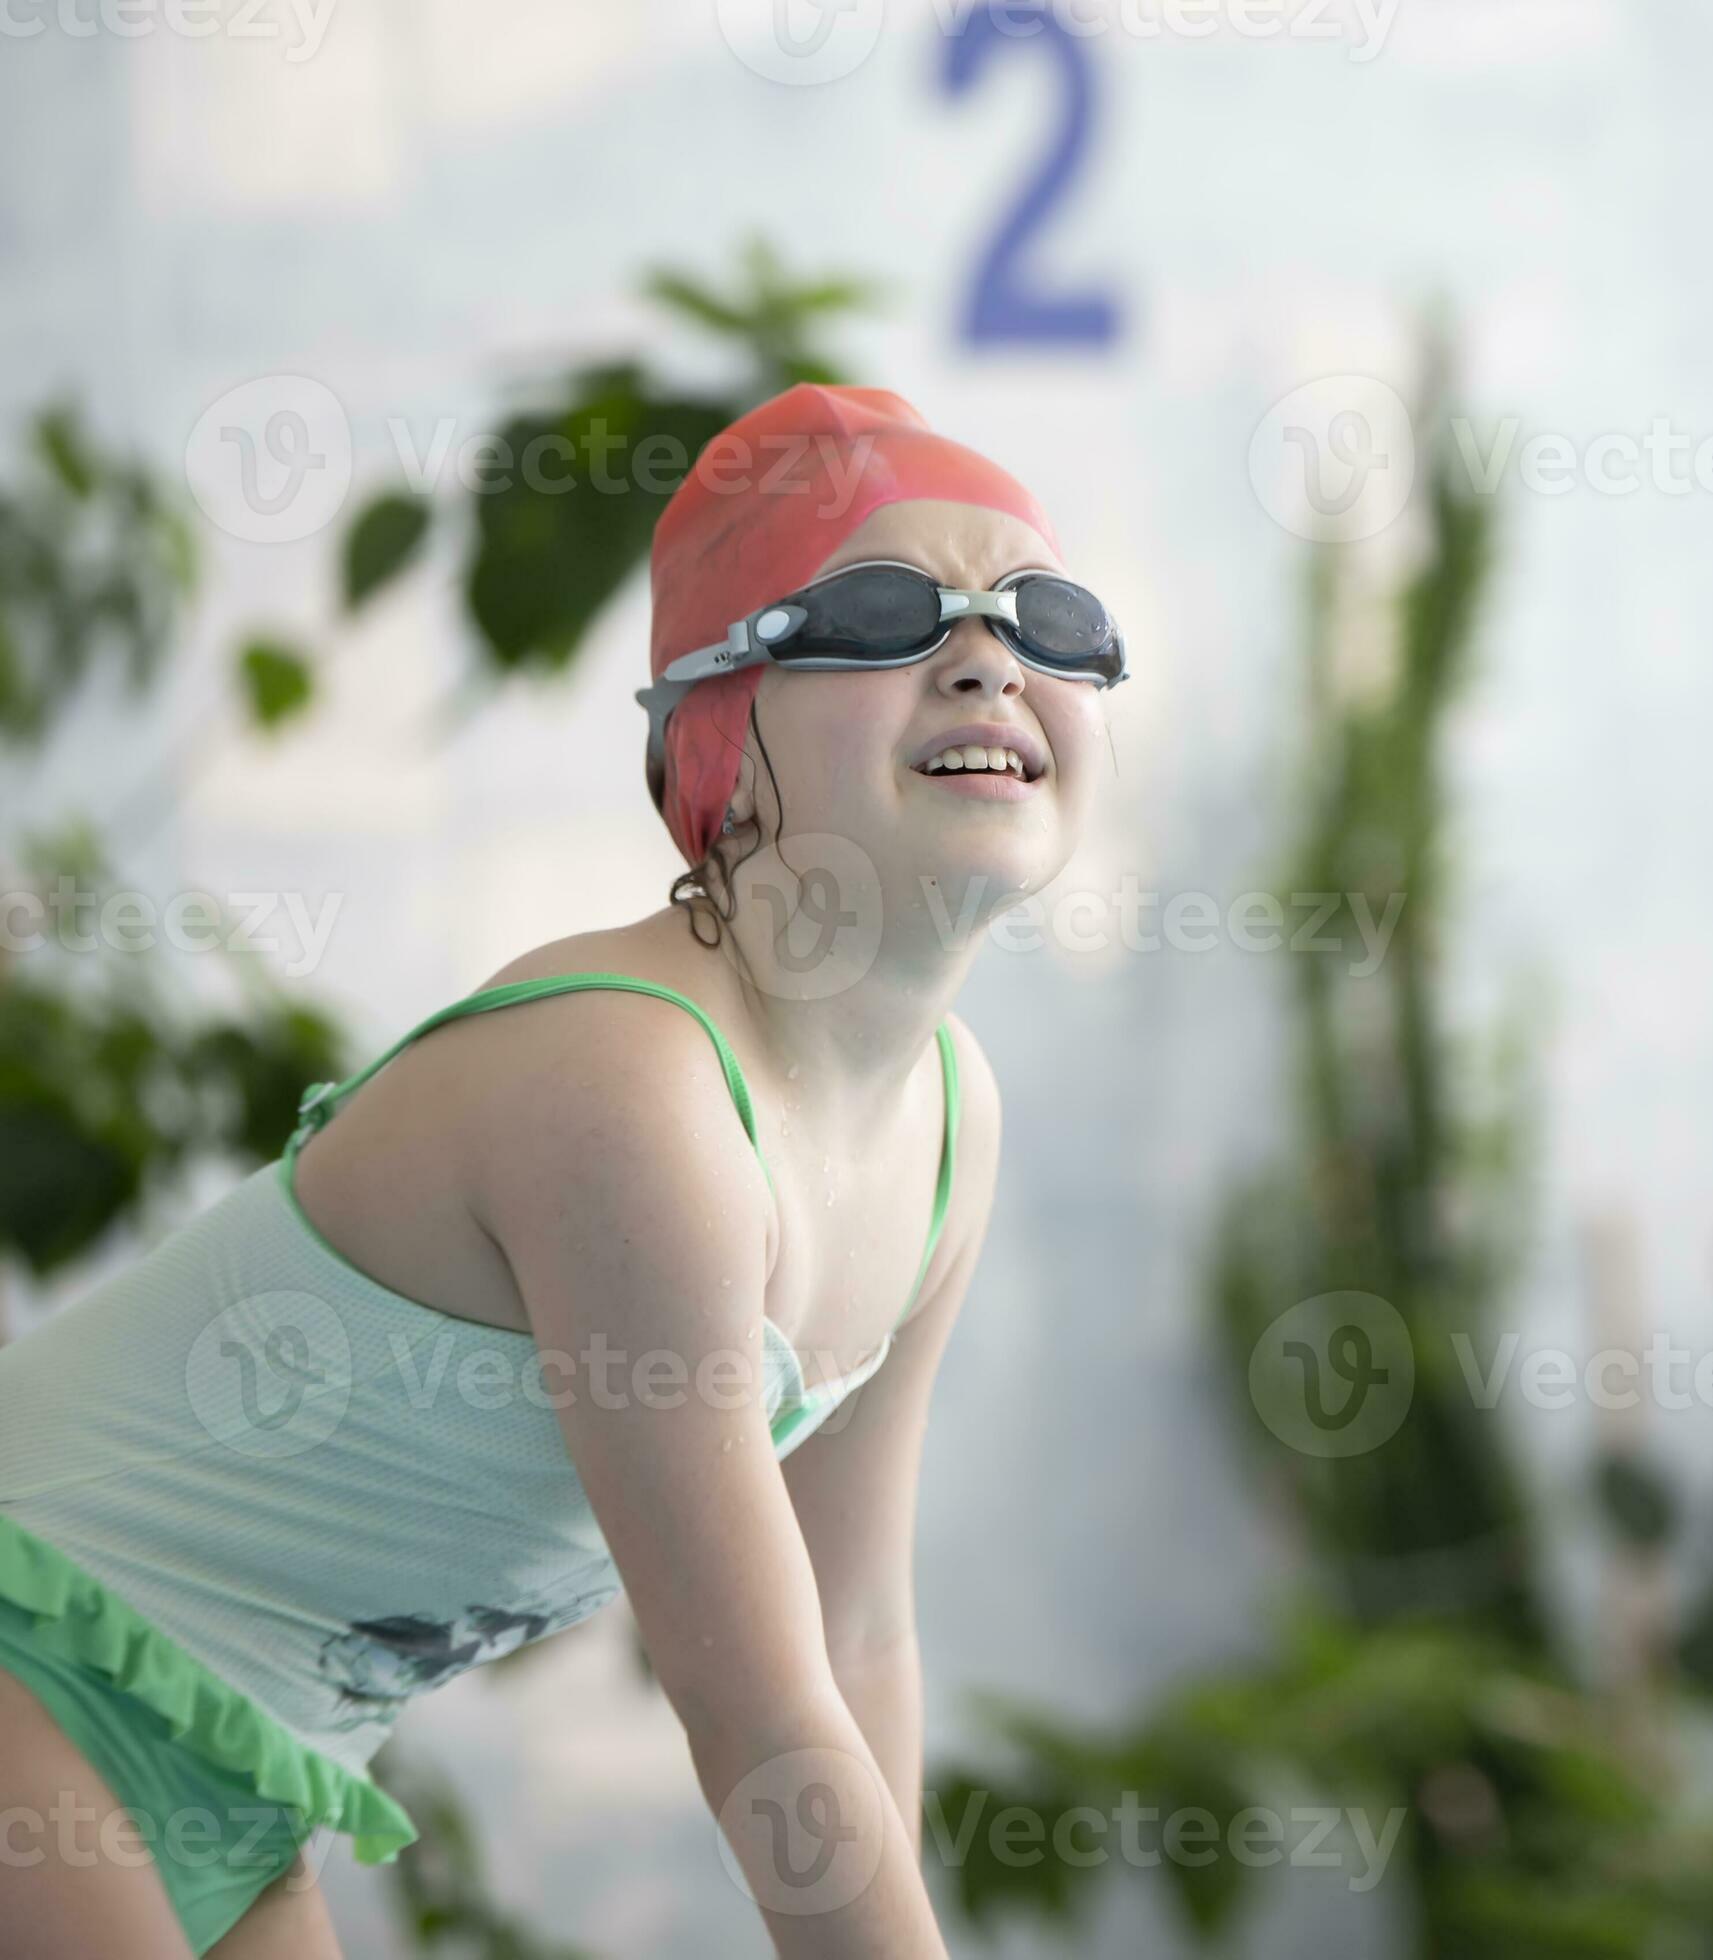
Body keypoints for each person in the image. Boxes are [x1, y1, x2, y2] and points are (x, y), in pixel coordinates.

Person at [0, 383, 1129, 1957]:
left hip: (230, 1760)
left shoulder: (950, 1126)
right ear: (719, 729)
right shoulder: (633, 1088)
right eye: (885, 609)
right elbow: (755, 1708)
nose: (987, 654)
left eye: (1048, 618)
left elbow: (855, 1632)